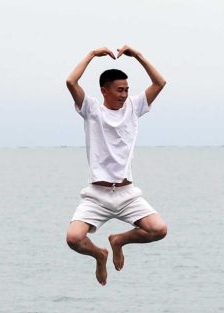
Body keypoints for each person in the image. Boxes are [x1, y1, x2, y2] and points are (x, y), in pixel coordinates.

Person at [65, 45, 168, 286]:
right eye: (119, 90)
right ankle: (100, 255)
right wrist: (91, 55)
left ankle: (119, 240)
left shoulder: (133, 107)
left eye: (127, 90)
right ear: (104, 91)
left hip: (126, 193)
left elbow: (160, 83)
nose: (124, 95)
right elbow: (71, 82)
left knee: (159, 230)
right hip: (98, 194)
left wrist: (139, 56)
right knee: (73, 238)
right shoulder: (91, 110)